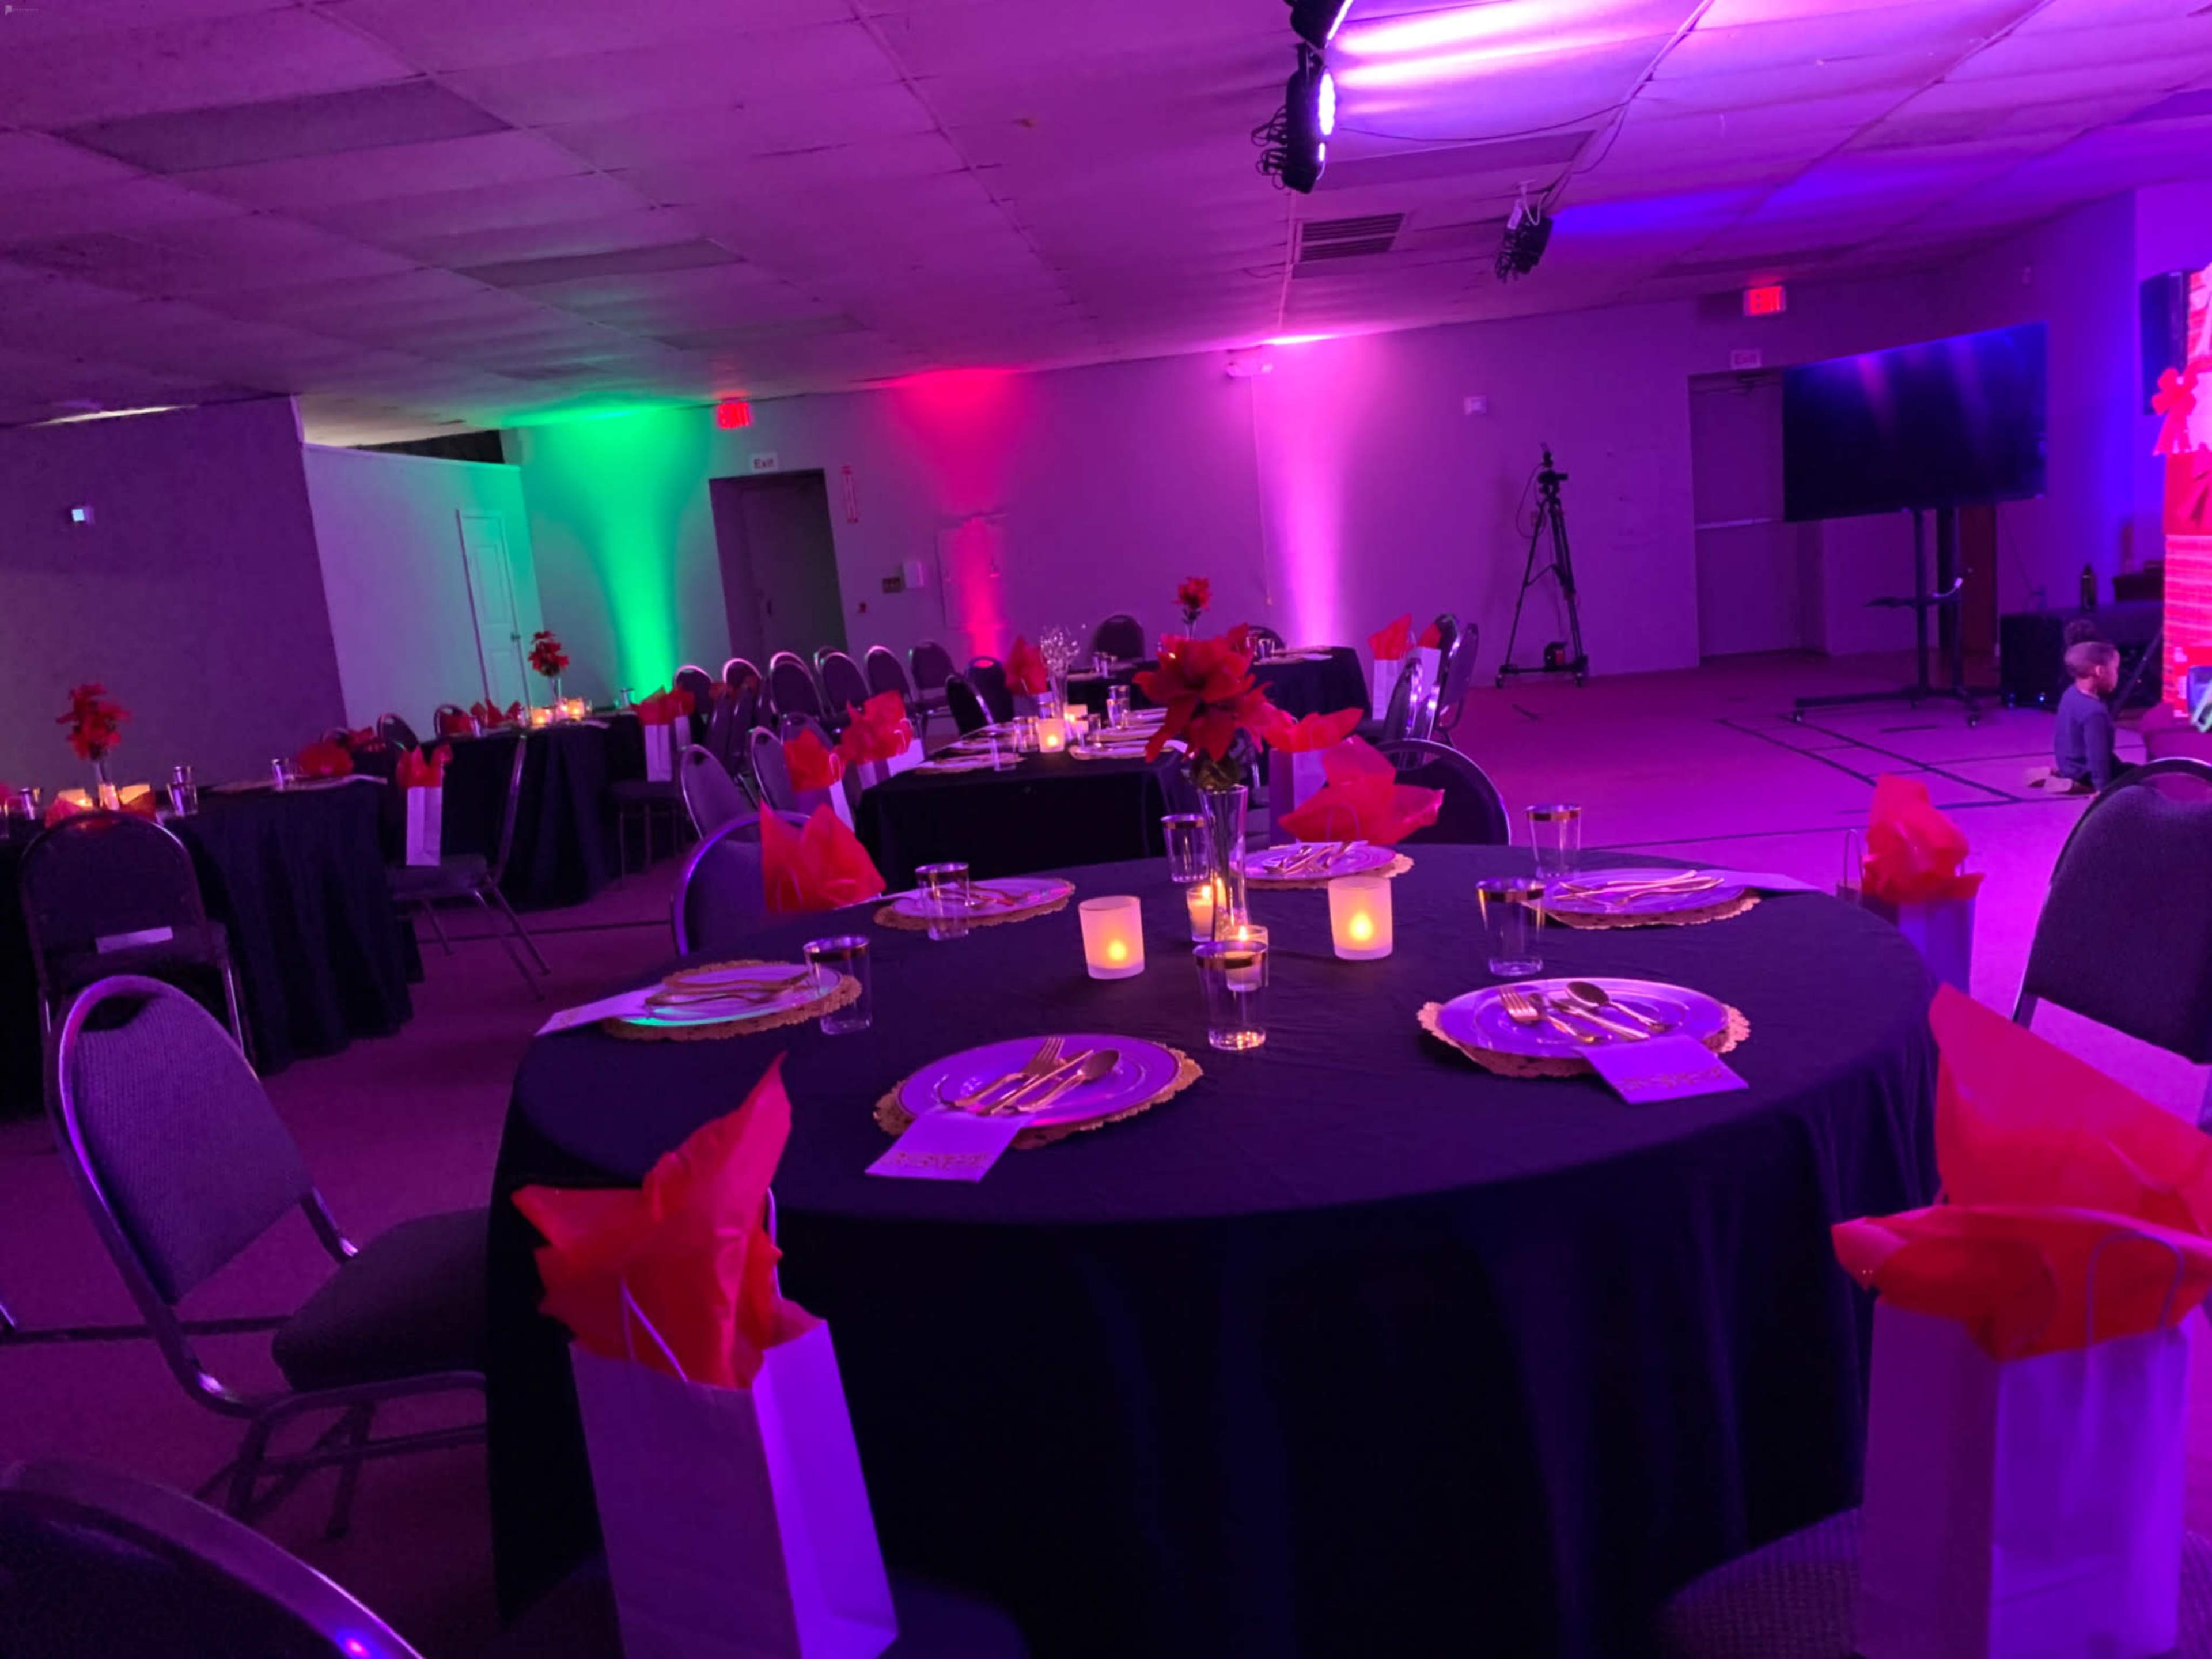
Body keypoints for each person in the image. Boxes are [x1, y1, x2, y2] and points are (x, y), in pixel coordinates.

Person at [2029, 638, 2120, 793]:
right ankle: (2080, 786)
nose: (2117, 675)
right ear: (2100, 671)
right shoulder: (2094, 712)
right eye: (2115, 670)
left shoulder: (2071, 693)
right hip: (2087, 772)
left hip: (2069, 764)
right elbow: (2097, 755)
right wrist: (2102, 788)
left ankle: (2059, 774)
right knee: (2141, 778)